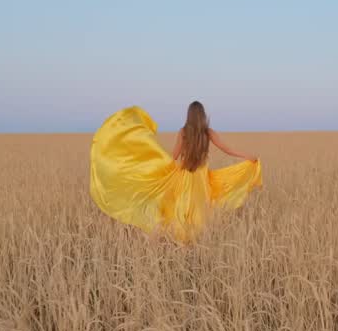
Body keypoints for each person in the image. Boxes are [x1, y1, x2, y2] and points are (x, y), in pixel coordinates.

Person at [90, 101, 262, 243]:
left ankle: (177, 242)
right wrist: (249, 157)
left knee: (181, 210)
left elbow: (173, 156)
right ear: (202, 115)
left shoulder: (183, 132)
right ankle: (194, 244)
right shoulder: (208, 133)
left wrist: (150, 158)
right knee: (199, 212)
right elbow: (228, 150)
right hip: (201, 180)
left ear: (189, 115)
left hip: (184, 177)